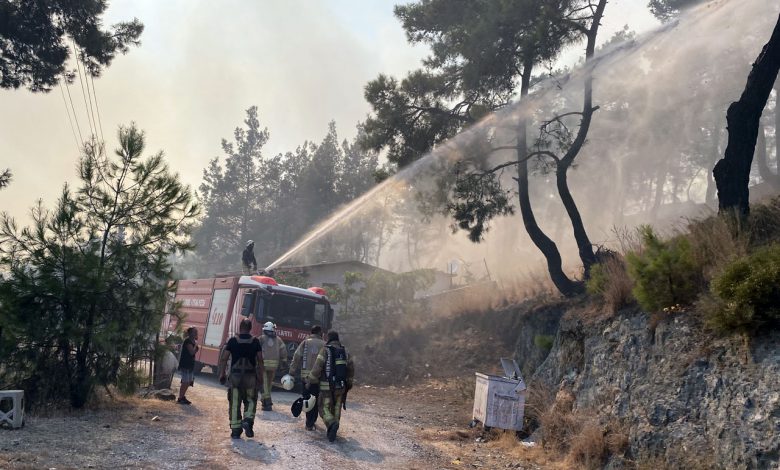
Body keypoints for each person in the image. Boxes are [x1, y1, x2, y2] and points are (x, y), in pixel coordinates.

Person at [218, 319, 264, 439]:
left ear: (240, 327)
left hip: (235, 378)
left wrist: (222, 373)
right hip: (250, 378)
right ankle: (248, 421)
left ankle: (235, 429)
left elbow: (224, 358)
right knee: (251, 400)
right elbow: (260, 360)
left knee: (234, 404)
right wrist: (260, 376)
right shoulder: (255, 341)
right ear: (250, 328)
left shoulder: (233, 341)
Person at [307, 330, 354, 442]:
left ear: (328, 338)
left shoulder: (325, 350)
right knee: (337, 407)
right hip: (341, 387)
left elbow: (317, 367)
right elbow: (351, 369)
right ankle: (333, 428)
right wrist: (349, 384)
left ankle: (331, 423)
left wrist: (311, 380)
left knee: (323, 407)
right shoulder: (345, 351)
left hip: (326, 387)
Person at [289, 325, 326, 430]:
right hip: (318, 379)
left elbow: (296, 356)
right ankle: (311, 422)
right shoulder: (324, 344)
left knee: (307, 399)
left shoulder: (305, 342)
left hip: (305, 378)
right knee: (315, 400)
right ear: (320, 333)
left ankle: (309, 423)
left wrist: (291, 371)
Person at [258, 321, 288, 411]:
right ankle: (264, 401)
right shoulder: (278, 339)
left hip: (263, 366)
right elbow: (284, 351)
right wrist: (284, 362)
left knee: (264, 384)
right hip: (274, 366)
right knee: (269, 384)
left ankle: (267, 403)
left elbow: (256, 350)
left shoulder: (261, 338)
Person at [177, 327, 199, 405]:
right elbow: (192, 352)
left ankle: (182, 397)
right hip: (185, 364)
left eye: (196, 332)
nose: (196, 333)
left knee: (189, 381)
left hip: (190, 364)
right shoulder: (188, 341)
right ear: (190, 333)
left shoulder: (193, 341)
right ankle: (180, 398)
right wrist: (196, 345)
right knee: (185, 381)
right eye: (194, 332)